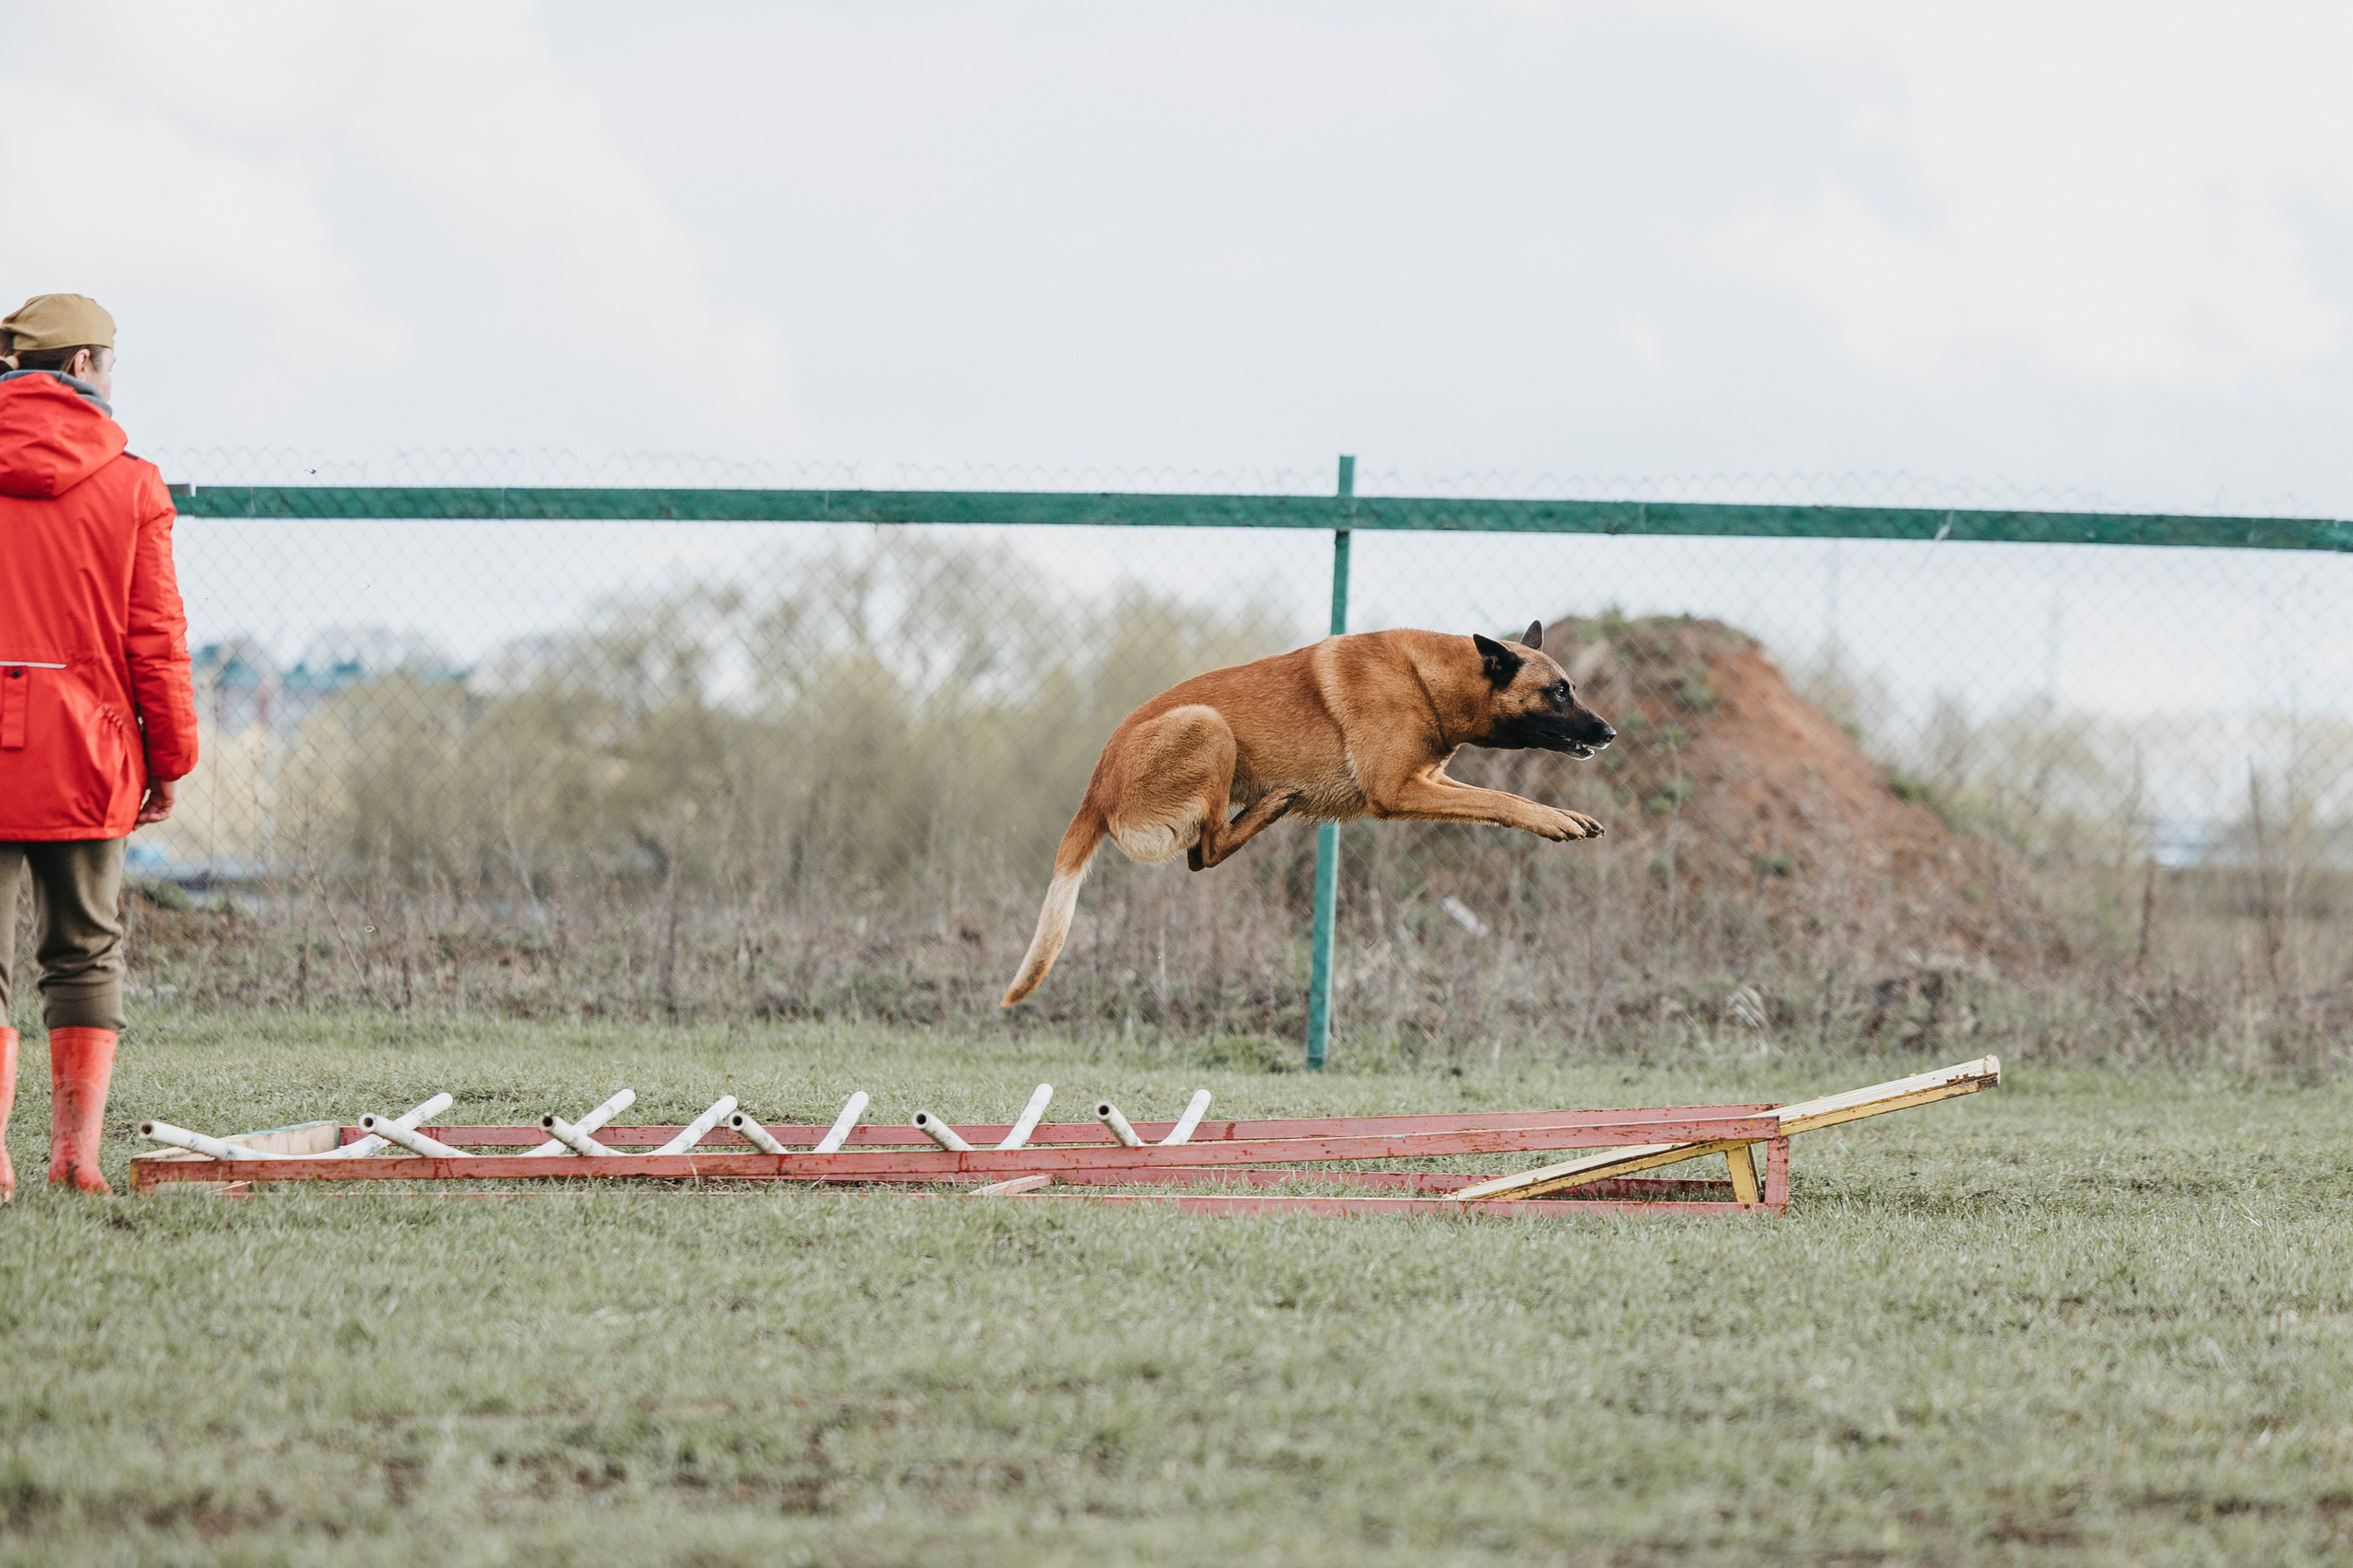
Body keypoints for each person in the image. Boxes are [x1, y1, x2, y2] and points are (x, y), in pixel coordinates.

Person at [0, 294, 197, 1199]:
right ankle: (74, 1157)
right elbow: (153, 638)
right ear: (82, 364)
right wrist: (170, 759)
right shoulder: (131, 482)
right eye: (109, 363)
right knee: (83, 950)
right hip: (86, 754)